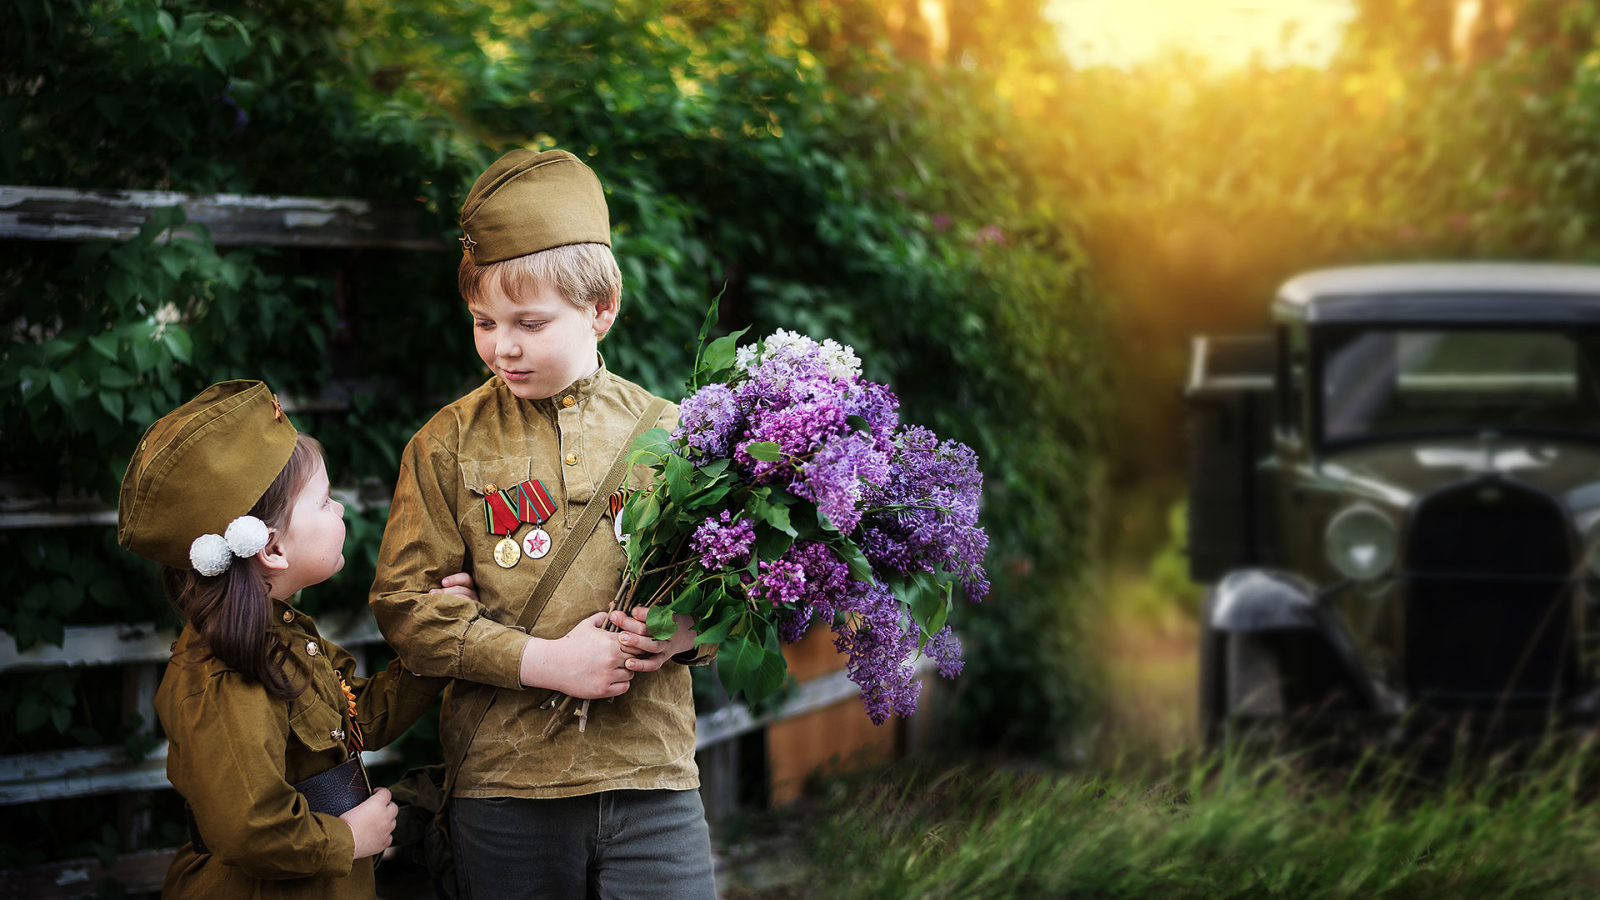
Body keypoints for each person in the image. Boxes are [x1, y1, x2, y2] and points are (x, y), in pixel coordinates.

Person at [368, 148, 718, 900]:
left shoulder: (679, 436)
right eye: (483, 322)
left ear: (602, 309)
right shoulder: (444, 443)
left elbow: (733, 585)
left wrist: (693, 631)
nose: (503, 346)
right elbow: (404, 609)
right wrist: (545, 663)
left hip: (652, 777)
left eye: (529, 322)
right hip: (504, 786)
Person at [117, 380, 472, 899]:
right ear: (273, 549)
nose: (342, 511)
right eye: (325, 502)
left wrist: (440, 639)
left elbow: (357, 719)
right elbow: (249, 826)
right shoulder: (224, 679)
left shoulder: (283, 637)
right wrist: (346, 839)